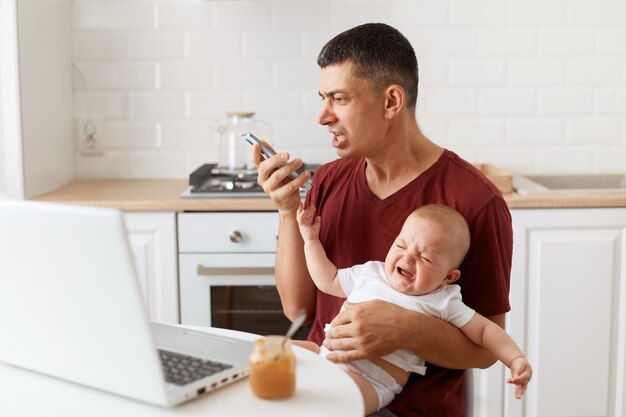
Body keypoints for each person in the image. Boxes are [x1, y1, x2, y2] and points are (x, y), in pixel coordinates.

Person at [251, 22, 513, 416]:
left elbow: (484, 351)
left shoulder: (475, 201)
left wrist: (405, 329)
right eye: (323, 98)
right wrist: (288, 212)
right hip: (322, 392)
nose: (323, 116)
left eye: (338, 99)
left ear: (391, 101)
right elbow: (298, 311)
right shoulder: (328, 180)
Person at [295, 203, 531, 415]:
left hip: (370, 381)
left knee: (329, 401)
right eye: (401, 245)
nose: (407, 259)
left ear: (448, 276)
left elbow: (485, 332)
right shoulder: (371, 273)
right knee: (277, 350)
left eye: (425, 258)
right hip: (324, 355)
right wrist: (311, 241)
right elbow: (327, 279)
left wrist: (515, 359)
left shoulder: (442, 301)